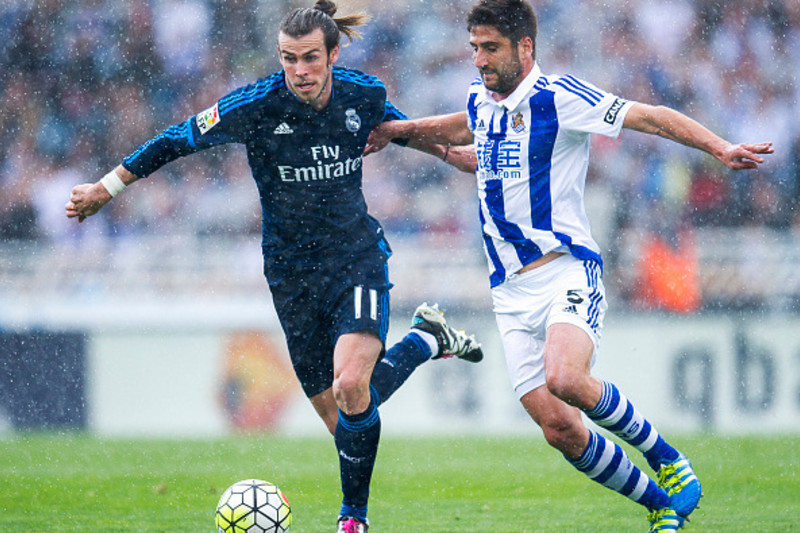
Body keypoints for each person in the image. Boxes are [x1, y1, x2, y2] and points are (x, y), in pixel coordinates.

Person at [65, 2, 482, 532]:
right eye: (289, 59)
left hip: (355, 258)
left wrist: (452, 155)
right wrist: (106, 187)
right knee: (344, 419)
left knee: (353, 387)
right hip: (290, 274)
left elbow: (399, 128)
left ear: (333, 54)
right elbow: (176, 139)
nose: (300, 71)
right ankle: (426, 339)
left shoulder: (363, 93)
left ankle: (353, 519)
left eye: (310, 59)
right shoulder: (256, 105)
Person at [365, 0, 774, 531]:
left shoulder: (558, 97)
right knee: (560, 428)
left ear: (525, 47)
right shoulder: (480, 101)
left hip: (564, 269)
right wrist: (403, 131)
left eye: (490, 48)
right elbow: (465, 132)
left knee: (566, 378)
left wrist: (718, 146)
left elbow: (648, 116)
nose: (479, 60)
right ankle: (661, 507)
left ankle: (667, 457)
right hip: (509, 293)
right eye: (475, 48)